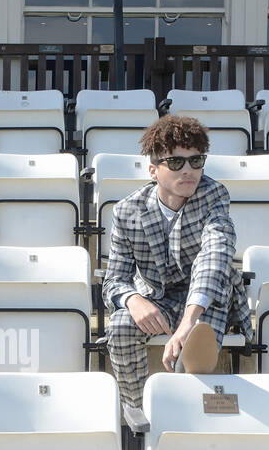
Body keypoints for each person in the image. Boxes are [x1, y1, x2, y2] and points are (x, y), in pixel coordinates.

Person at [101, 114, 251, 409]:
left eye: (196, 161)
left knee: (196, 338)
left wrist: (186, 325)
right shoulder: (126, 211)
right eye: (176, 163)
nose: (189, 171)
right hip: (158, 299)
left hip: (207, 299)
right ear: (154, 170)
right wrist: (133, 300)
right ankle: (139, 411)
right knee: (119, 324)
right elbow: (113, 281)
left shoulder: (214, 194)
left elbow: (214, 256)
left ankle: (191, 406)